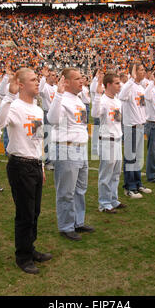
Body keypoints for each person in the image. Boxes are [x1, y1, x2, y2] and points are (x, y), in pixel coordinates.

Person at [0, 68, 51, 275]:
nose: (37, 83)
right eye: (33, 80)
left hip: (34, 164)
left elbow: (39, 140)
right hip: (20, 166)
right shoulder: (14, 106)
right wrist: (8, 96)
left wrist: (41, 165)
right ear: (22, 84)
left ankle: (30, 248)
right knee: (25, 214)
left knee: (35, 211)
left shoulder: (37, 109)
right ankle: (22, 257)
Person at [47, 68, 95, 241]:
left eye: (81, 77)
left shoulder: (79, 99)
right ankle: (66, 226)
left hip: (80, 148)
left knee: (80, 189)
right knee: (66, 191)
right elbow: (52, 120)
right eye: (77, 78)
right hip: (66, 148)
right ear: (65, 81)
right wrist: (58, 95)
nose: (81, 81)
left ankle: (78, 221)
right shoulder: (61, 99)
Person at [91, 71, 126, 214]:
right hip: (107, 140)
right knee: (106, 173)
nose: (120, 85)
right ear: (109, 85)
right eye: (117, 83)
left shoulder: (117, 101)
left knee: (116, 172)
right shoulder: (103, 100)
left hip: (117, 139)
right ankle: (104, 203)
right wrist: (98, 95)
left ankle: (113, 199)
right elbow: (94, 114)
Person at [119, 63, 152, 198]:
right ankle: (130, 187)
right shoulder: (130, 85)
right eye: (141, 69)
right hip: (130, 126)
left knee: (138, 158)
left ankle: (138, 183)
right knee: (130, 158)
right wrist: (131, 79)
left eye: (144, 69)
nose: (143, 72)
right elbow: (121, 96)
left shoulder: (140, 87)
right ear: (134, 72)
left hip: (139, 126)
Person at [39, 65, 58, 170]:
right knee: (48, 138)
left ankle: (54, 159)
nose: (54, 77)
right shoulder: (45, 86)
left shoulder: (55, 87)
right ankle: (48, 161)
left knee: (55, 137)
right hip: (47, 113)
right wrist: (43, 77)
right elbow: (39, 90)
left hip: (56, 114)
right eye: (52, 75)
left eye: (55, 75)